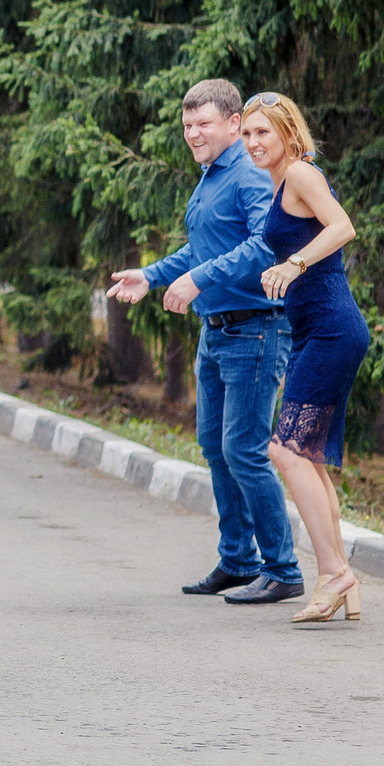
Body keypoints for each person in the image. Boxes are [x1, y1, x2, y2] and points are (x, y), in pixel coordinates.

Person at [109, 78, 303, 606]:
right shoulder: (210, 176)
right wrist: (150, 275)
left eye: (204, 124)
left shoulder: (251, 175)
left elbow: (270, 244)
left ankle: (283, 568)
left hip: (257, 327)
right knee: (217, 448)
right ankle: (238, 560)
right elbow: (202, 247)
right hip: (217, 330)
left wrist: (200, 279)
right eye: (187, 125)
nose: (193, 134)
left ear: (234, 124)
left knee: (244, 449)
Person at [240, 92, 372, 624]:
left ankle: (335, 573)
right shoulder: (282, 180)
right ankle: (341, 578)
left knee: (287, 453)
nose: (253, 144)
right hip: (315, 331)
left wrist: (293, 264)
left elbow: (342, 226)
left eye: (262, 134)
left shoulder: (299, 173)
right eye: (247, 135)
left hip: (333, 331)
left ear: (288, 132)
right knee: (306, 457)